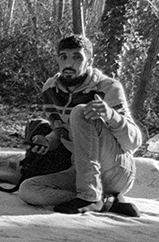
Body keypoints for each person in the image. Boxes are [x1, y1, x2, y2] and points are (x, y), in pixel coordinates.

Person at [19, 34, 142, 216]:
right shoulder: (50, 89)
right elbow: (61, 130)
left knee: (80, 112)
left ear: (89, 62)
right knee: (28, 190)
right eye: (63, 57)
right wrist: (48, 141)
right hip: (81, 171)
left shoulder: (109, 87)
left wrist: (111, 115)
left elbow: (134, 142)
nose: (69, 64)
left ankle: (89, 197)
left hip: (117, 169)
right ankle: (105, 202)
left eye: (77, 57)